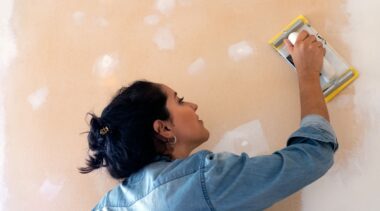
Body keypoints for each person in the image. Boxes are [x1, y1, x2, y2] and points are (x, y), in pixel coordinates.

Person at [79, 30, 338, 211]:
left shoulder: (109, 205)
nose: (193, 105)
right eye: (179, 101)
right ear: (164, 128)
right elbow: (314, 157)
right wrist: (307, 73)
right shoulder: (201, 182)